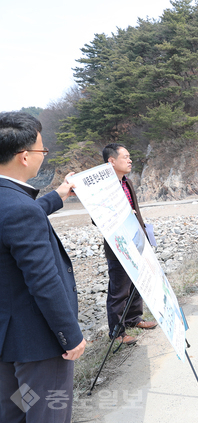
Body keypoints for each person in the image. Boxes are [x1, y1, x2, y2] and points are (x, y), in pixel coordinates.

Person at [0, 111, 86, 423]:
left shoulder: (11, 203)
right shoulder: (20, 209)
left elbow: (15, 221)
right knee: (47, 414)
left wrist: (58, 196)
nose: (43, 154)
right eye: (42, 149)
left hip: (7, 339)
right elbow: (44, 281)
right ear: (24, 157)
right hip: (38, 344)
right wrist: (70, 335)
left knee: (13, 412)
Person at [102, 144, 157, 346]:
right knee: (119, 289)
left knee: (136, 282)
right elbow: (97, 218)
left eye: (130, 156)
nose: (130, 160)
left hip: (136, 240)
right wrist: (122, 216)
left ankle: (134, 318)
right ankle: (117, 332)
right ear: (112, 161)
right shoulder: (103, 188)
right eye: (125, 157)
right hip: (118, 246)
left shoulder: (127, 182)